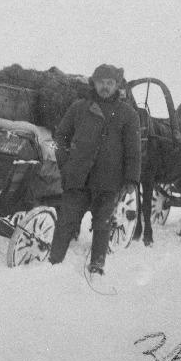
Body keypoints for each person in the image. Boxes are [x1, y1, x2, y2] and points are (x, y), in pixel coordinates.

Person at [49, 64, 141, 275]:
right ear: (94, 83)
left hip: (108, 181)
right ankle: (53, 264)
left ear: (117, 86)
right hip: (78, 178)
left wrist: (131, 180)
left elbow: (134, 151)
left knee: (102, 225)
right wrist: (64, 162)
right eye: (101, 82)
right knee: (65, 222)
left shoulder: (128, 114)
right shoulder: (79, 107)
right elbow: (58, 137)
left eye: (110, 83)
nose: (105, 87)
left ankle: (97, 266)